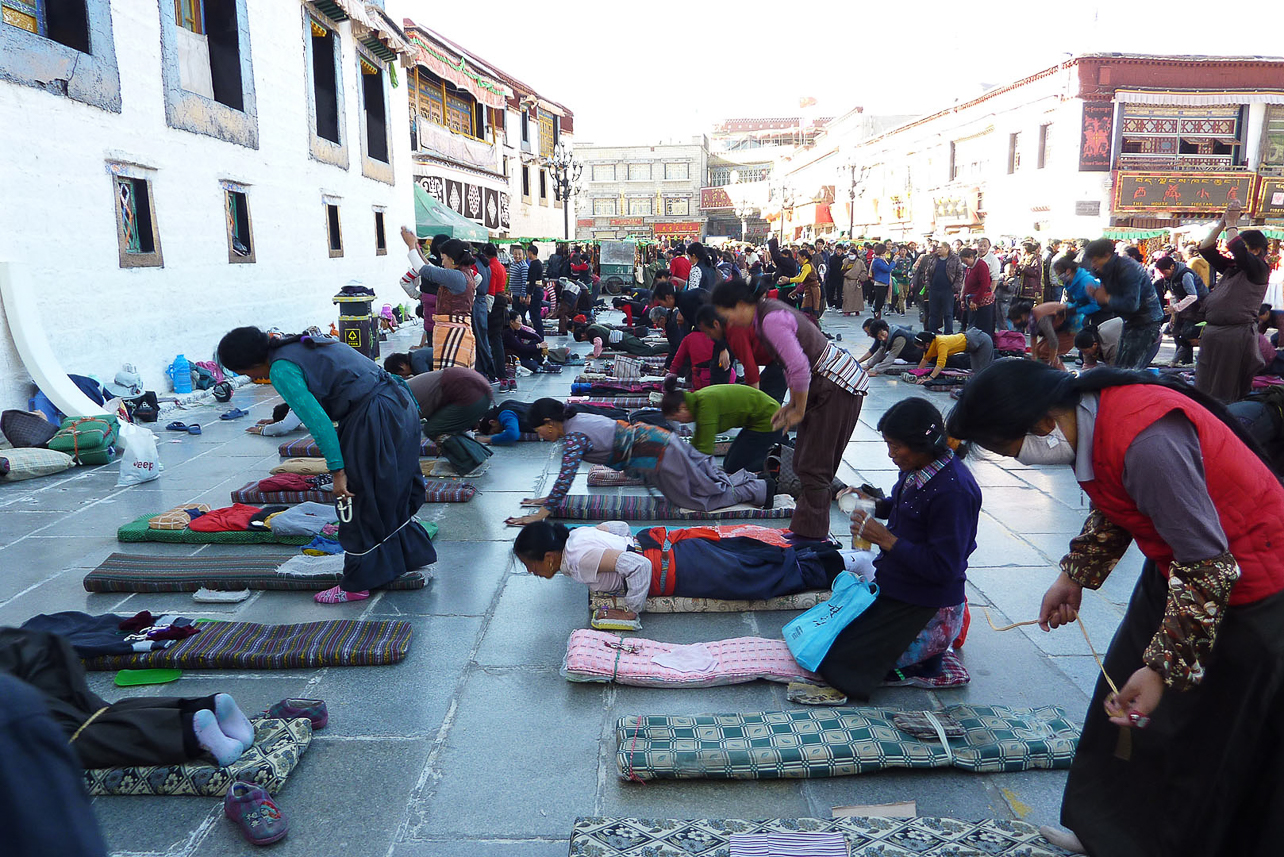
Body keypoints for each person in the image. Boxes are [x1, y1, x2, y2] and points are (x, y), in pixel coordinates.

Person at [946, 358, 1284, 857]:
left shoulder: (1146, 440)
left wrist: (1162, 670)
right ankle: (1107, 833)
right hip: (1179, 572)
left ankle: (1166, 843)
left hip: (1246, 590)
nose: (1014, 459)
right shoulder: (1093, 423)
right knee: (1124, 711)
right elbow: (1116, 498)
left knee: (1194, 730)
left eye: (1006, 447)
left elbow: (1211, 567)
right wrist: (1074, 575)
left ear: (1040, 422)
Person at [216, 328, 435, 603]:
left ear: (248, 364)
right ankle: (410, 556)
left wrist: (338, 472)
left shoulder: (281, 369)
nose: (250, 377)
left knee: (358, 498)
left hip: (373, 418)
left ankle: (357, 583)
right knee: (392, 488)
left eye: (244, 371)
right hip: (399, 405)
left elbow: (318, 423)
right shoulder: (305, 343)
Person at [818, 398, 981, 699]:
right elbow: (905, 508)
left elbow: (944, 568)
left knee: (843, 667)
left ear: (923, 443)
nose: (891, 454)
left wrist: (887, 540)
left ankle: (927, 657)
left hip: (928, 604)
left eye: (896, 446)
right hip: (899, 589)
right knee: (823, 639)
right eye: (888, 445)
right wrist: (872, 504)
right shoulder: (919, 469)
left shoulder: (954, 491)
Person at [711, 279, 868, 541]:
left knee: (815, 467)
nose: (727, 322)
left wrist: (799, 409)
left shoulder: (770, 319)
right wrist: (793, 406)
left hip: (838, 386)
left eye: (725, 314)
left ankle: (812, 539)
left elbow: (798, 367)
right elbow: (789, 365)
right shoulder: (764, 315)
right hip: (828, 385)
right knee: (804, 461)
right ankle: (805, 531)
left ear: (739, 305)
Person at [504, 399, 772, 526]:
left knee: (696, 500)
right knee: (702, 483)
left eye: (539, 430)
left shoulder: (574, 437)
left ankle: (758, 490)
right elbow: (565, 475)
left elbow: (566, 475)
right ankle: (755, 483)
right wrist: (546, 500)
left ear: (550, 423)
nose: (539, 435)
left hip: (657, 453)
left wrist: (543, 512)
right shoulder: (575, 421)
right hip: (657, 443)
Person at [513, 520, 844, 615]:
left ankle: (839, 564)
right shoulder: (577, 535)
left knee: (754, 577)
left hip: (683, 567)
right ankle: (822, 553)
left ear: (549, 556)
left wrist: (630, 610)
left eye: (531, 565)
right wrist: (628, 544)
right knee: (749, 559)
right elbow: (618, 526)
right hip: (676, 551)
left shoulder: (578, 559)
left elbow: (639, 567)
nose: (531, 573)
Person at [1196, 203, 1272, 402]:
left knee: (1225, 389)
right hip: (1214, 332)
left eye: (1246, 248)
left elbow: (1236, 248)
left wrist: (1232, 223)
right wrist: (1222, 223)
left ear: (1255, 251)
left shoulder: (1260, 269)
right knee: (1204, 384)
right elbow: (1206, 249)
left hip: (1235, 335)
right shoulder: (1233, 268)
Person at [660, 376, 783, 474]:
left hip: (769, 420)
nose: (680, 423)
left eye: (676, 418)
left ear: (682, 408)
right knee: (728, 464)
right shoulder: (698, 401)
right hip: (755, 421)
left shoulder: (705, 405)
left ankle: (778, 462)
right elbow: (697, 441)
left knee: (735, 468)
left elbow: (705, 448)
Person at [400, 230, 478, 370]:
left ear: (452, 259)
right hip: (453, 331)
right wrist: (416, 248)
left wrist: (411, 246)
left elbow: (425, 270)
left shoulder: (457, 277)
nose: (442, 262)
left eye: (443, 258)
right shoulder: (463, 273)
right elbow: (432, 268)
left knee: (451, 378)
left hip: (453, 333)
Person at [1083, 238, 1163, 370]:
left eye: (1095, 260)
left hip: (1147, 322)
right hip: (1130, 321)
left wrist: (1106, 298)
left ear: (1107, 255)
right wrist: (1098, 297)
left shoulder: (1129, 268)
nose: (1093, 265)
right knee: (1120, 368)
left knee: (1129, 371)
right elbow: (1109, 303)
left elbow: (1131, 305)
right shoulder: (1106, 270)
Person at [406, 367, 493, 441]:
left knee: (434, 430)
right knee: (447, 428)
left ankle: (468, 458)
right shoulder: (403, 389)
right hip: (477, 389)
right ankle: (473, 455)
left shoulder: (399, 400)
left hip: (473, 393)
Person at [667, 305, 741, 389]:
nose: (708, 337)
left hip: (704, 381)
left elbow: (677, 362)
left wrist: (671, 377)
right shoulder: (724, 335)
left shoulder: (689, 338)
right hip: (728, 378)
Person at [1008, 299, 1075, 370]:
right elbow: (1033, 337)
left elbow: (1053, 342)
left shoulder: (1041, 319)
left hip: (1072, 328)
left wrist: (1051, 363)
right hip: (1060, 328)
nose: (1015, 323)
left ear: (1022, 316)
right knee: (1038, 350)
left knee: (1045, 352)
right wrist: (1034, 357)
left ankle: (1060, 375)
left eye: (1015, 321)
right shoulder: (1032, 319)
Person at [910, 330, 995, 382]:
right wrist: (916, 374)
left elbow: (940, 364)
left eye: (920, 347)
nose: (920, 349)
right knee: (976, 372)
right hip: (972, 345)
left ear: (927, 344)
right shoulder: (931, 346)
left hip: (982, 341)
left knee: (984, 370)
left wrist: (930, 378)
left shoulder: (941, 343)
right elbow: (925, 360)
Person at [1053, 256, 1105, 329]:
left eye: (1058, 274)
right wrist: (1070, 308)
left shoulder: (1086, 282)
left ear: (1068, 271)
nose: (1058, 276)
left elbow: (1096, 305)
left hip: (1101, 315)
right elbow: (1081, 300)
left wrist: (1076, 310)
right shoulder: (1070, 283)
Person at [926, 242, 965, 334]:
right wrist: (928, 283)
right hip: (934, 289)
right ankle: (932, 331)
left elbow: (960, 273)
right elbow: (927, 271)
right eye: (937, 248)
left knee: (948, 313)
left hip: (948, 290)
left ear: (947, 249)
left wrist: (955, 286)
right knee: (933, 313)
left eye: (940, 248)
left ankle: (948, 333)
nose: (938, 249)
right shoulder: (933, 258)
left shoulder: (955, 259)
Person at [573, 321, 668, 357]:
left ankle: (670, 347)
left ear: (582, 335)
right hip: (623, 339)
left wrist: (595, 355)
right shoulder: (592, 327)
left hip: (624, 341)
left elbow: (598, 342)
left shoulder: (591, 331)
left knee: (648, 351)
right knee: (642, 347)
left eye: (582, 340)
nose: (585, 340)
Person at [959, 247, 995, 336]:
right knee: (973, 325)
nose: (965, 264)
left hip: (981, 301)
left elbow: (984, 285)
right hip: (971, 299)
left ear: (971, 257)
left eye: (965, 261)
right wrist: (963, 298)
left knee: (982, 328)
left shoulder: (981, 265)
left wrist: (975, 300)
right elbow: (966, 282)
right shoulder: (969, 267)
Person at [525, 244, 545, 340]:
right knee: (536, 315)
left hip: (535, 292)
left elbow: (532, 281)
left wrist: (529, 295)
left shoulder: (534, 264)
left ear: (531, 253)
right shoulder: (539, 263)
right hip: (538, 290)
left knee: (535, 316)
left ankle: (539, 337)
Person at [869, 243, 893, 319]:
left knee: (881, 302)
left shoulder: (882, 260)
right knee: (879, 303)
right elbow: (887, 269)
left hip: (885, 283)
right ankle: (876, 318)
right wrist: (894, 262)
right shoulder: (877, 261)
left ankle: (878, 317)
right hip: (880, 284)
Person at [842, 246, 868, 316]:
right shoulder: (845, 261)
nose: (851, 256)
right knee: (847, 297)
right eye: (850, 254)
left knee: (857, 298)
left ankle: (857, 310)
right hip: (847, 281)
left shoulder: (860, 262)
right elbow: (842, 270)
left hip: (856, 281)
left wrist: (860, 277)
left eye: (852, 254)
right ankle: (847, 310)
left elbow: (864, 271)